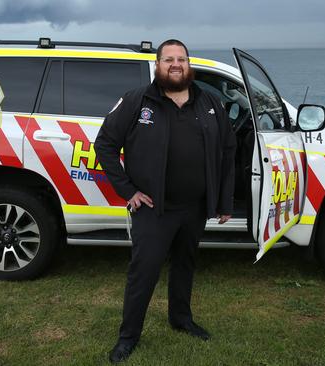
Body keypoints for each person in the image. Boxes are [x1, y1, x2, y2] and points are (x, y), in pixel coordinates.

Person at [94, 39, 236, 363]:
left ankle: (181, 318)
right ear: (157, 65)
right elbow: (104, 145)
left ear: (189, 64)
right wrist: (128, 191)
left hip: (195, 207)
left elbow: (228, 149)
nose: (176, 64)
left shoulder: (209, 102)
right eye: (169, 59)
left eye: (181, 59)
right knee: (143, 273)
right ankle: (128, 337)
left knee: (185, 265)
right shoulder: (136, 101)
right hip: (153, 209)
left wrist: (223, 201)